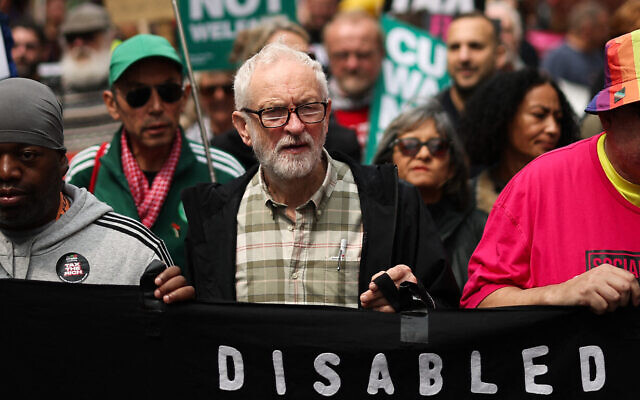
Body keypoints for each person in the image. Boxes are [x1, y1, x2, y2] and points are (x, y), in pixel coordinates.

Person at [182, 43, 459, 310]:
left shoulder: (394, 204)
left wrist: (412, 303)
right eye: (274, 112)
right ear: (243, 128)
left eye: (308, 108)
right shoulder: (214, 219)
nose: (295, 126)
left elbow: (445, 318)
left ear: (327, 116)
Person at [460, 29, 640, 314]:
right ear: (609, 118)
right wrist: (563, 293)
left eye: (556, 117)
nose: (551, 128)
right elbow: (478, 302)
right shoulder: (538, 184)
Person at [0, 77, 193, 303]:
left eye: (27, 155)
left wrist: (178, 317)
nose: (6, 171)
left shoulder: (133, 254)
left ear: (62, 161)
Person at [66, 34, 245, 270]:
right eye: (138, 96)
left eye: (168, 92)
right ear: (112, 104)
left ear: (184, 97)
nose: (156, 107)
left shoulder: (221, 172)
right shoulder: (87, 172)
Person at [205, 17, 361, 168]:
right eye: (279, 58)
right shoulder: (224, 154)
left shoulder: (342, 144)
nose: (295, 127)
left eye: (306, 57)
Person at [373, 100, 487, 290]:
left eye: (437, 147)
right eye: (410, 145)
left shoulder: (480, 227)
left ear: (452, 166)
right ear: (388, 159)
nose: (424, 154)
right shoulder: (369, 223)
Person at [462, 68, 579, 213]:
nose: (553, 129)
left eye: (558, 119)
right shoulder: (464, 200)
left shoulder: (572, 197)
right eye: (539, 115)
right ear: (505, 117)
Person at [58, 2, 120, 156]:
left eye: (88, 36)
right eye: (71, 38)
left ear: (108, 37)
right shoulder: (52, 92)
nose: (79, 44)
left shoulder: (123, 88)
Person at [435, 12, 505, 134]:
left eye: (475, 46)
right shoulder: (429, 117)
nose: (463, 57)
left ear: (499, 55)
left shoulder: (517, 115)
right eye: (455, 47)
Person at [323, 10, 384, 149]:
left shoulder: (405, 109)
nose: (352, 65)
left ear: (381, 53)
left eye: (363, 55)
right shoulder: (311, 113)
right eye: (342, 55)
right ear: (328, 55)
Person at [541, 1, 609, 91]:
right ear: (587, 29)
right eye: (601, 28)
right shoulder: (557, 58)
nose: (606, 33)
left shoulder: (598, 57)